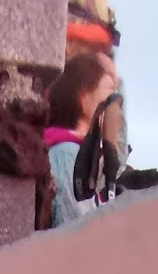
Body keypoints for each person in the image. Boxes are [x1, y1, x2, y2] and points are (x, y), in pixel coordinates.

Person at [46, 53, 120, 225]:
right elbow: (79, 230)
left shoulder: (78, 155)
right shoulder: (68, 155)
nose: (116, 103)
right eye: (110, 91)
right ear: (83, 97)